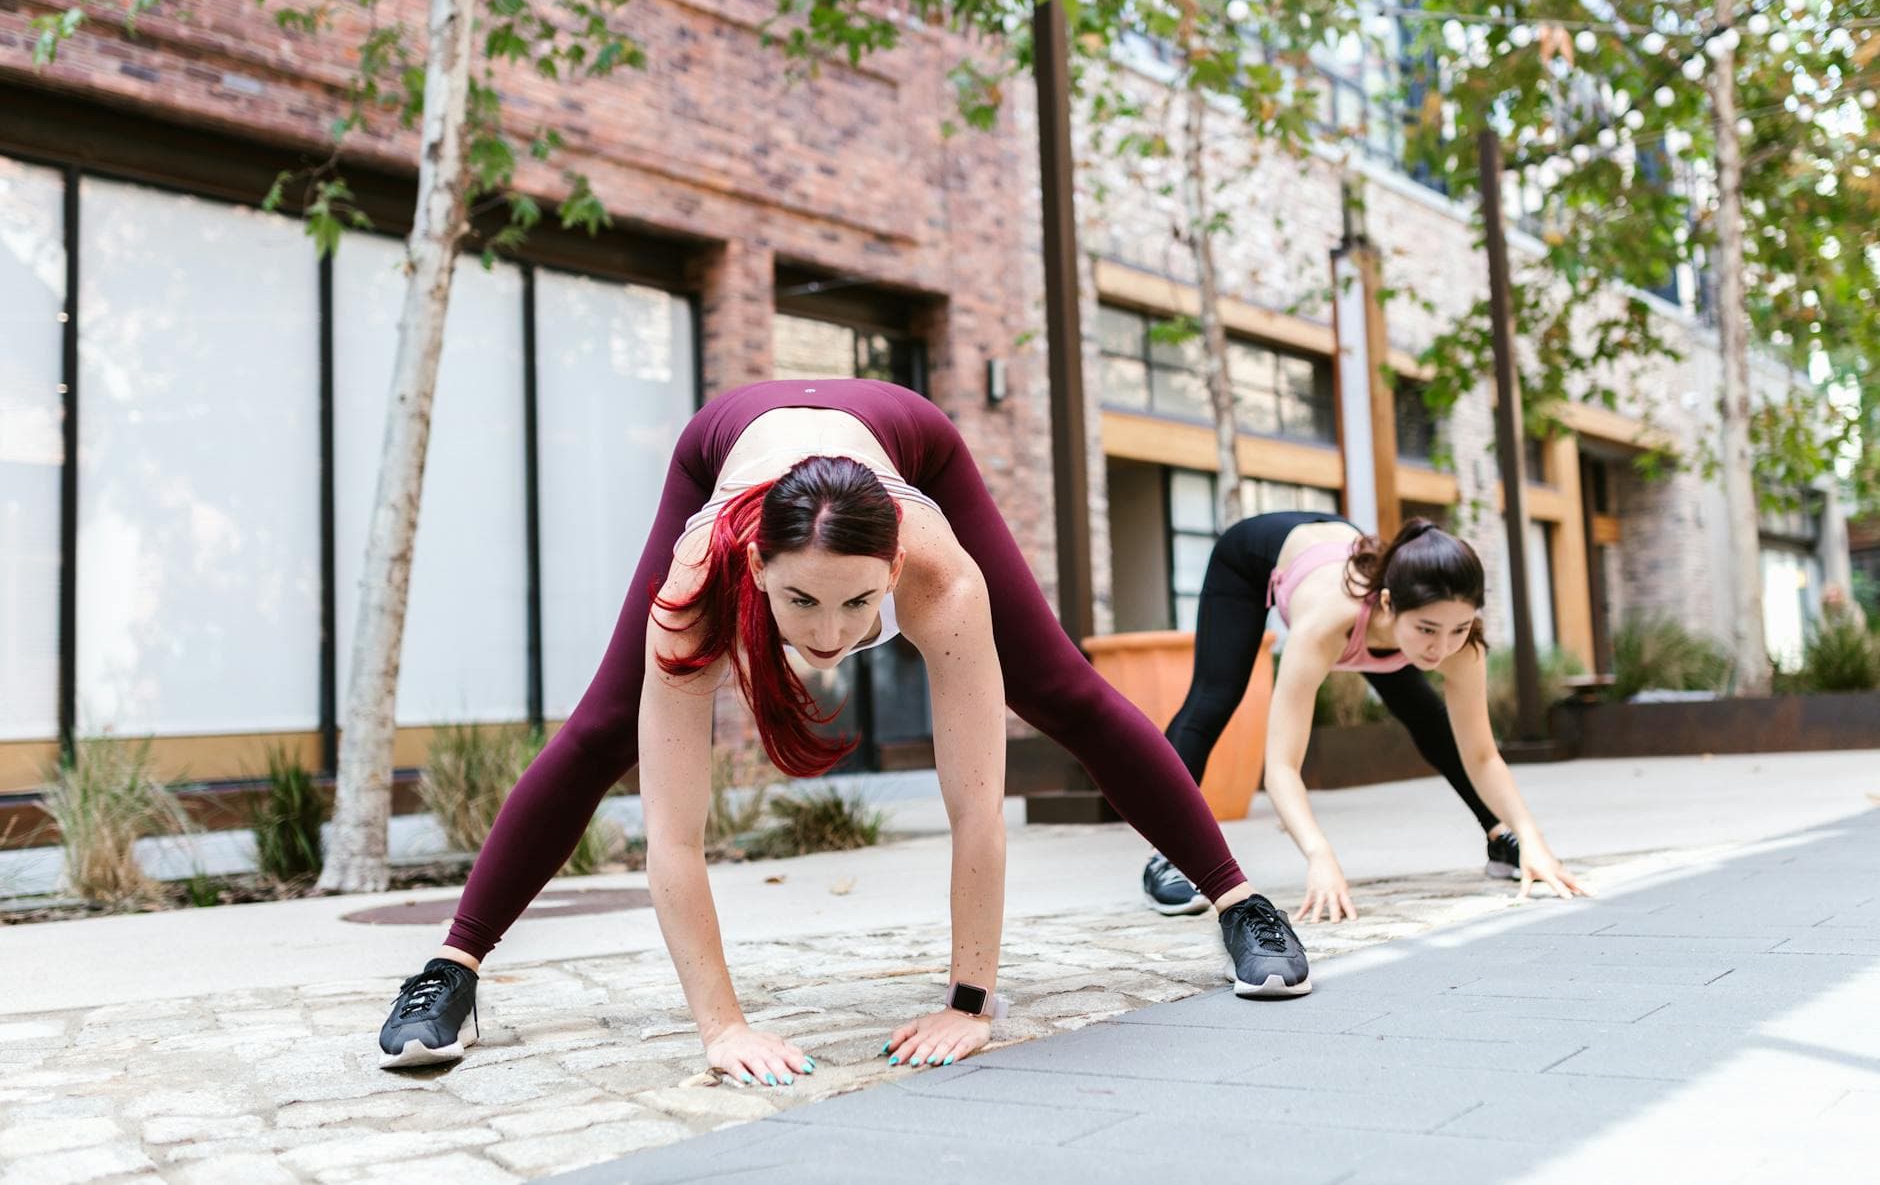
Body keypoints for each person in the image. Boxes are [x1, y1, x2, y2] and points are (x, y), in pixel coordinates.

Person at [378, 379, 1312, 1078]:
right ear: (754, 563)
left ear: (896, 562)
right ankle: (451, 966)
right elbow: (674, 835)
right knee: (601, 727)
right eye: (801, 603)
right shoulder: (698, 580)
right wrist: (722, 1027)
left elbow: (977, 806)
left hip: (906, 436)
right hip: (728, 438)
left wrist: (970, 1002)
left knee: (1060, 686)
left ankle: (1239, 902)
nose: (831, 639)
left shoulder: (942, 574)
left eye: (860, 601)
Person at [1139, 512, 1589, 923]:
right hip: (1250, 556)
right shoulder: (1326, 624)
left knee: (1425, 712)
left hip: (1339, 550)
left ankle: (1498, 836)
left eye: (1458, 628)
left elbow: (1483, 755)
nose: (1440, 648)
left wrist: (1531, 835)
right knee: (1215, 699)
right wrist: (1319, 853)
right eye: (1427, 630)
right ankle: (1166, 854)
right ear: (1389, 604)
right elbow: (1281, 767)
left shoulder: (1458, 644)